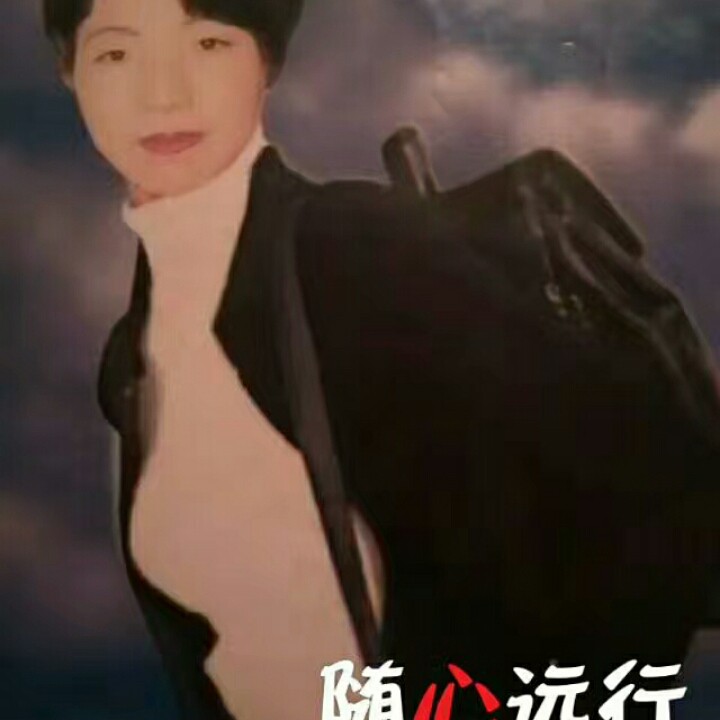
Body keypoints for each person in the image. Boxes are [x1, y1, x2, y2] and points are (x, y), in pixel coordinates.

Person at [44, 0, 720, 718]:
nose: (163, 93)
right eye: (116, 53)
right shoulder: (130, 363)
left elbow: (635, 506)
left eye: (209, 43)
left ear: (266, 61)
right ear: (69, 71)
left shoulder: (355, 248)